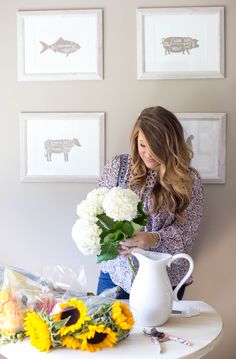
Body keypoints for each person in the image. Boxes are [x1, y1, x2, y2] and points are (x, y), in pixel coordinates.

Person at [96, 106, 204, 300]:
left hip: (164, 279)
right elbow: (96, 214)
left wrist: (151, 239)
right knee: (105, 328)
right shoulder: (118, 166)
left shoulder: (189, 180)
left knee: (159, 331)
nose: (148, 154)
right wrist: (113, 241)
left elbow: (187, 234)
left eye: (156, 148)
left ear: (171, 146)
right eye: (142, 144)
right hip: (116, 275)